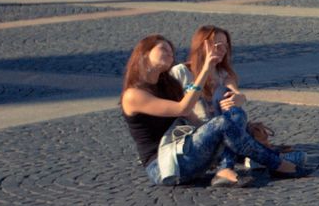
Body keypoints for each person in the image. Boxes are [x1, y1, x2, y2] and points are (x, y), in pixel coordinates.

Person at [120, 34, 307, 187]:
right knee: (223, 123)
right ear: (144, 54)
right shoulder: (133, 95)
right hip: (164, 166)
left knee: (236, 116)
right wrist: (205, 69)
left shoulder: (168, 85)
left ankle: (226, 168)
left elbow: (190, 117)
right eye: (163, 49)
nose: (170, 53)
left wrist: (225, 133)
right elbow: (182, 107)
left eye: (171, 50)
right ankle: (276, 162)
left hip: (187, 151)